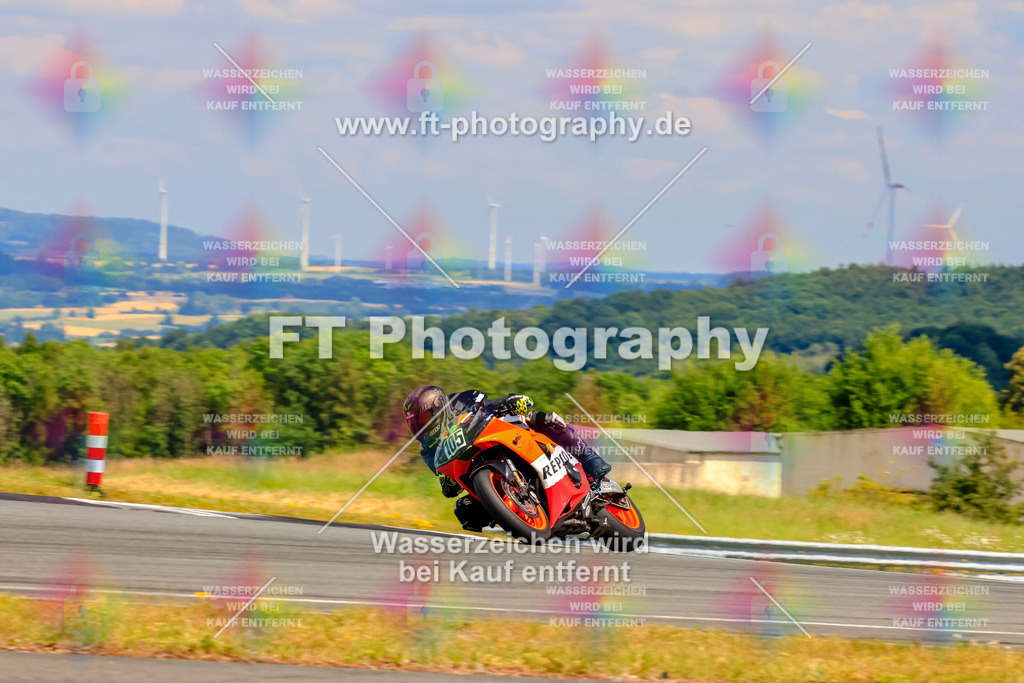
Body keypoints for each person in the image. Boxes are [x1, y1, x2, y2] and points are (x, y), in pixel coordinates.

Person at [402, 385, 612, 530]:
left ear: (437, 405)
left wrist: (510, 402)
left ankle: (590, 460)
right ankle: (518, 511)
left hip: (497, 433)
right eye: (415, 424)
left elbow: (486, 403)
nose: (420, 427)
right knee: (465, 511)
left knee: (547, 420)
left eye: (422, 419)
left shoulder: (458, 402)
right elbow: (443, 476)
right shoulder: (427, 449)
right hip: (474, 465)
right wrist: (447, 484)